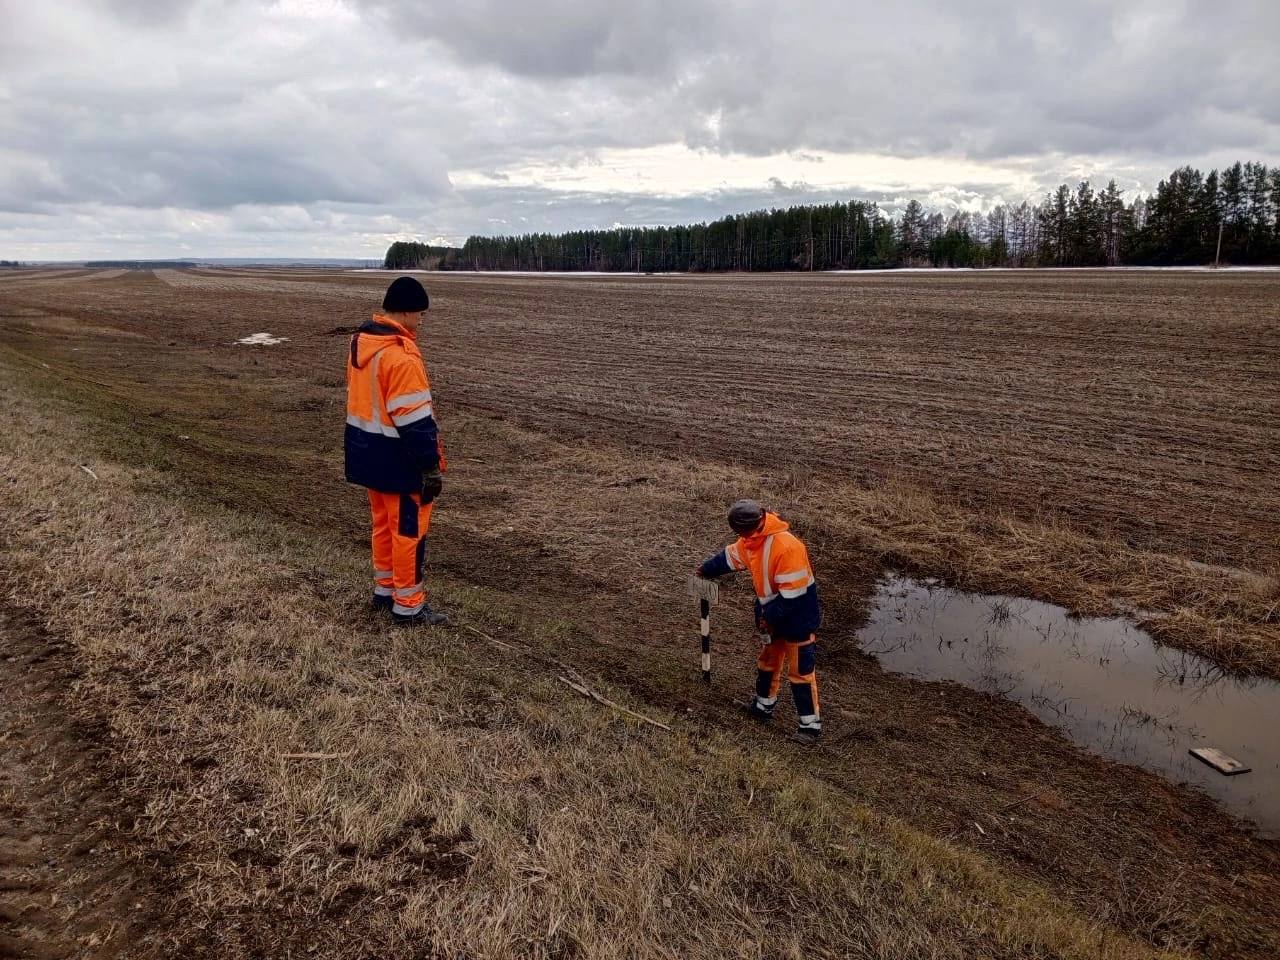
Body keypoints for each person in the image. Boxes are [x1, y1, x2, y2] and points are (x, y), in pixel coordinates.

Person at [344, 276, 448, 625]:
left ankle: (385, 591)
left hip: (369, 456)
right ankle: (409, 606)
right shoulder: (401, 358)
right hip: (401, 463)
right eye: (420, 313)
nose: (422, 320)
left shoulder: (364, 346)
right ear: (404, 312)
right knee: (408, 534)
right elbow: (416, 421)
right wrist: (430, 466)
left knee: (383, 527)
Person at [696, 500, 822, 742]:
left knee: (800, 672)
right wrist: (706, 569)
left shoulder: (788, 547)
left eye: (741, 532)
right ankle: (763, 707)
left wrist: (768, 618)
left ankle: (810, 727)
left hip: (798, 620)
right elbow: (731, 557)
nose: (740, 537)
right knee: (768, 662)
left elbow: (793, 597)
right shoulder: (751, 540)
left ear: (754, 524)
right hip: (772, 616)